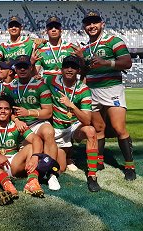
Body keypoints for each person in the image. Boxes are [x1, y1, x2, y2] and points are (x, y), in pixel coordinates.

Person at [82, 11, 135, 180]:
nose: (91, 26)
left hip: (112, 88)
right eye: (88, 23)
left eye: (95, 22)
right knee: (98, 129)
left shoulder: (113, 41)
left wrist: (106, 62)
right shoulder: (85, 48)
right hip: (92, 90)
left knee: (119, 128)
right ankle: (99, 160)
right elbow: (85, 71)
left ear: (102, 24)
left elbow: (127, 62)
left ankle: (129, 165)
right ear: (84, 27)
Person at [0, 95, 59, 198]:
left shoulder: (16, 125)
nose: (3, 111)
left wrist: (35, 156)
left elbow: (36, 139)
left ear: (11, 112)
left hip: (14, 163)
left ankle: (32, 181)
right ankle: (6, 183)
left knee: (30, 147)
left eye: (6, 109)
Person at [4, 55, 60, 190]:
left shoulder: (40, 86)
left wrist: (29, 113)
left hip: (37, 122)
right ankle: (34, 174)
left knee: (48, 131)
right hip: (19, 125)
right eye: (19, 67)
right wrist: (16, 120)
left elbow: (48, 112)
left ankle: (51, 174)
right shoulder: (10, 88)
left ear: (31, 67)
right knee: (23, 164)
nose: (22, 69)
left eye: (25, 66)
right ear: (15, 69)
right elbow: (6, 111)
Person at [45, 55, 100, 192]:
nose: (69, 69)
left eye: (73, 67)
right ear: (61, 69)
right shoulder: (50, 80)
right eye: (67, 66)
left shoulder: (84, 89)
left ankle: (92, 175)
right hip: (56, 128)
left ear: (78, 70)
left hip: (73, 126)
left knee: (91, 131)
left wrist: (72, 106)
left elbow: (87, 120)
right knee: (60, 167)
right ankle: (67, 157)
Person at [35, 16, 82, 170]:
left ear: (61, 30)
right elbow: (36, 71)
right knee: (51, 121)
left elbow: (78, 66)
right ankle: (51, 155)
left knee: (69, 119)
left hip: (66, 87)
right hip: (48, 89)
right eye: (50, 27)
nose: (53, 29)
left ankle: (69, 157)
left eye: (56, 27)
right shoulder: (42, 49)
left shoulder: (70, 47)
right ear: (46, 31)